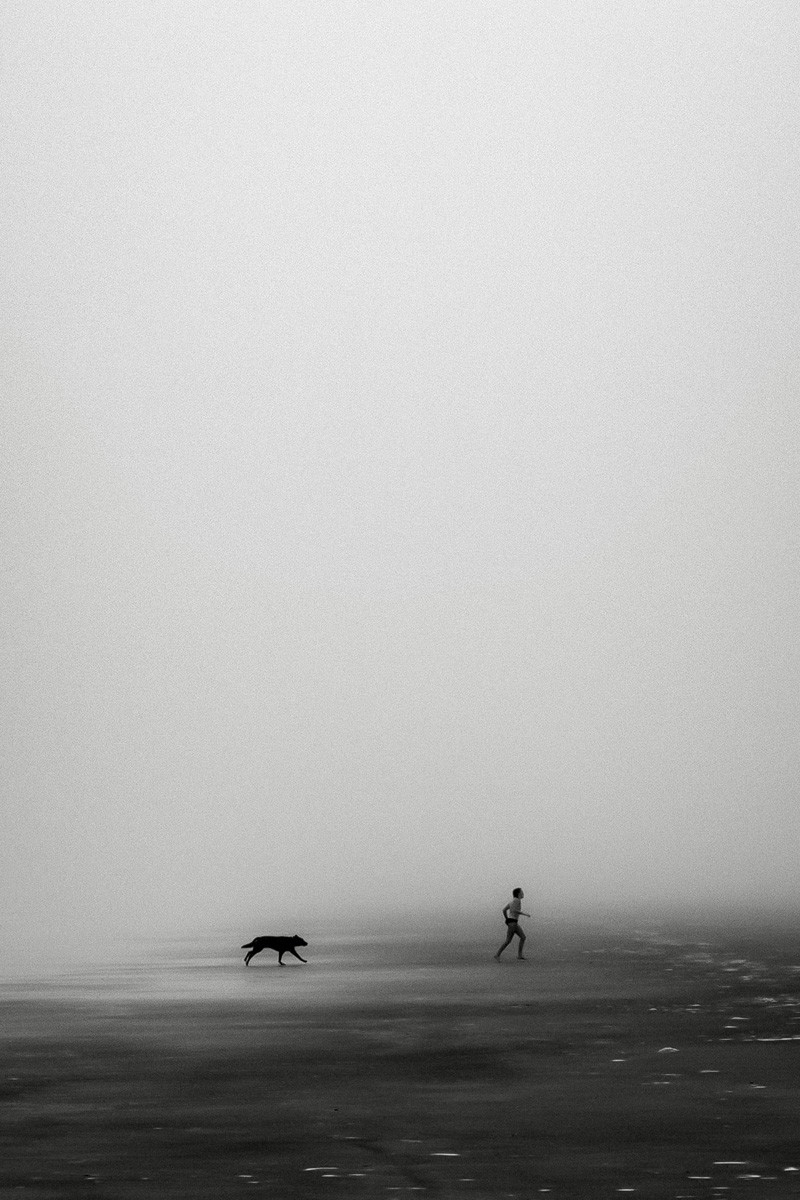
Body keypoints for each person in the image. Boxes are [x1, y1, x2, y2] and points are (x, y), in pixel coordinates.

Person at [494, 888, 530, 959]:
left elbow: (504, 910)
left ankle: (519, 955)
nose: (523, 893)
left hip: (513, 922)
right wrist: (525, 914)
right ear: (518, 893)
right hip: (513, 923)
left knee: (523, 937)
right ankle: (497, 955)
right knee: (508, 941)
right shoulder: (517, 900)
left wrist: (507, 919)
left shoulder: (512, 901)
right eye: (522, 892)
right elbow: (514, 910)